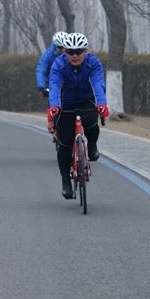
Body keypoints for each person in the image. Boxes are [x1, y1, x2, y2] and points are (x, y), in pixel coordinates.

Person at [47, 32, 108, 199]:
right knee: (65, 143)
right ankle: (66, 180)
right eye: (70, 52)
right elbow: (55, 86)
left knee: (91, 122)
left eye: (78, 51)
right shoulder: (58, 65)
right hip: (64, 104)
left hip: (86, 100)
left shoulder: (93, 63)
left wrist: (102, 104)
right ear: (65, 52)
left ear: (85, 50)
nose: (74, 56)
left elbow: (97, 84)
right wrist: (54, 107)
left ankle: (93, 145)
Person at [36, 31, 68, 96]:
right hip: (52, 82)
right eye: (60, 48)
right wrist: (41, 87)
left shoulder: (72, 54)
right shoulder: (47, 56)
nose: (62, 50)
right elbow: (41, 71)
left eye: (64, 47)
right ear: (55, 45)